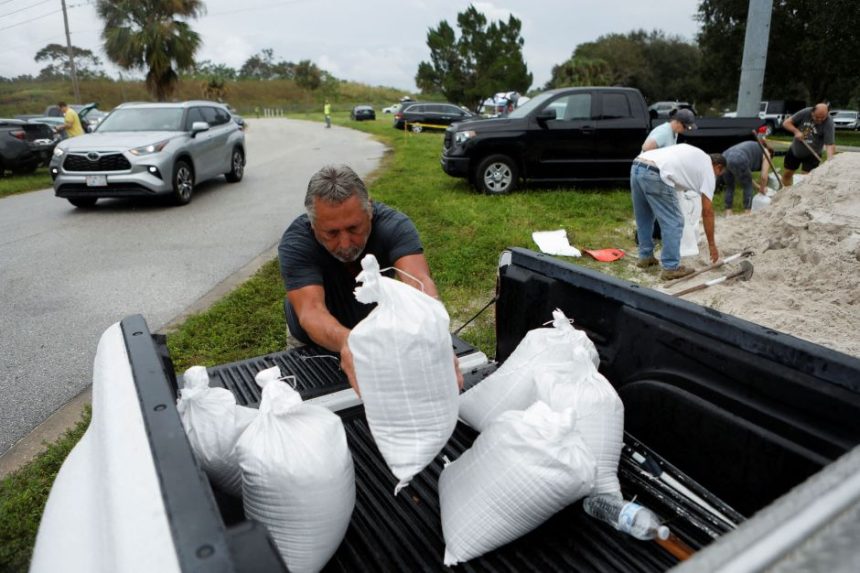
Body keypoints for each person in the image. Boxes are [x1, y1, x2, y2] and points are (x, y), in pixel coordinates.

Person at [278, 164, 460, 392]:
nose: (345, 244)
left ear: (370, 210)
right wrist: (348, 342)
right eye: (331, 233)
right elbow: (311, 311)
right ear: (313, 226)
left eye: (354, 228)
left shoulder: (394, 226)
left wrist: (435, 332)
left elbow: (419, 283)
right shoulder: (296, 243)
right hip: (312, 343)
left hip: (376, 334)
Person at [631, 143, 727, 280]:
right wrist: (712, 245)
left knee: (644, 218)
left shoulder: (695, 155)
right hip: (657, 173)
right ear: (718, 167)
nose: (717, 177)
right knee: (674, 222)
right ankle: (670, 267)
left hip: (637, 165)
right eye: (719, 173)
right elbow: (707, 211)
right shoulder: (708, 170)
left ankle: (645, 257)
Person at [781, 103, 836, 186]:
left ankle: (802, 197)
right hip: (795, 151)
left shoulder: (829, 122)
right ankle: (785, 194)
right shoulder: (805, 112)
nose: (819, 120)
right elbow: (786, 123)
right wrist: (796, 131)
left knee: (806, 180)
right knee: (787, 174)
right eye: (817, 117)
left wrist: (830, 161)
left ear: (827, 114)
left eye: (822, 118)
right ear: (812, 112)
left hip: (812, 156)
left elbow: (830, 144)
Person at [721, 139, 774, 214]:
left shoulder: (754, 148)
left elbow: (746, 176)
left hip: (724, 157)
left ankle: (728, 212)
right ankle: (747, 212)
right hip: (738, 157)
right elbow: (764, 176)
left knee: (729, 186)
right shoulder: (767, 153)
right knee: (748, 187)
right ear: (771, 153)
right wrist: (762, 189)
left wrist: (758, 186)